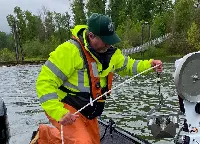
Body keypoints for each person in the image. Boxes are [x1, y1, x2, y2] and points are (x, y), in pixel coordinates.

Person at [34, 13, 163, 144]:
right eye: (106, 40)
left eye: (111, 39)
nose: (109, 44)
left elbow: (128, 66)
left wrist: (149, 64)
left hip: (88, 112)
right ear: (91, 36)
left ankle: (44, 134)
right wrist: (58, 112)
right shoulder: (69, 51)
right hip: (65, 108)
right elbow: (44, 82)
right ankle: (45, 135)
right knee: (82, 142)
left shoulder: (110, 53)